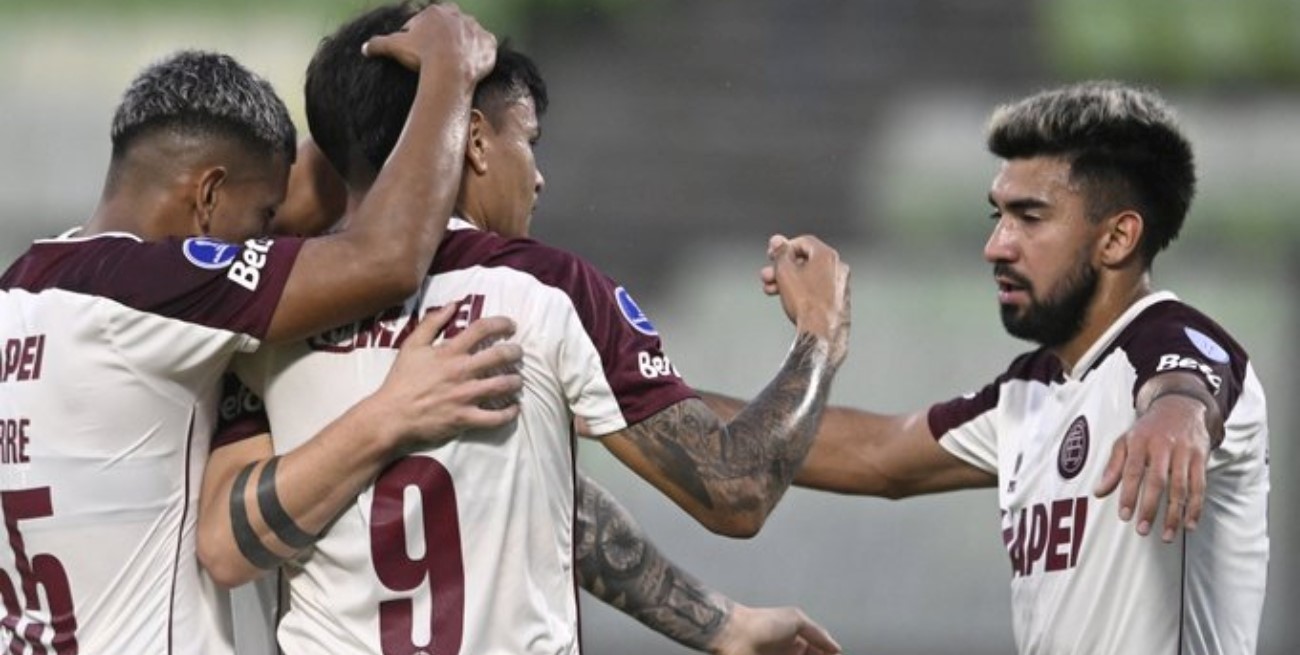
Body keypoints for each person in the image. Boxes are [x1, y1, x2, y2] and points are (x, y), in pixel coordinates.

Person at [197, 3, 850, 654]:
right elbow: (736, 487)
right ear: (475, 139)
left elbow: (228, 547)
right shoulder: (546, 290)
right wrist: (819, 330)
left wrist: (720, 623)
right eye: (528, 141)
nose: (537, 178)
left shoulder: (274, 309)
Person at [0, 6, 524, 653]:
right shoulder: (154, 288)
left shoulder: (24, 290)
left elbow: (305, 196)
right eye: (262, 217)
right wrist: (448, 68)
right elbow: (386, 258)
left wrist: (359, 100)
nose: (273, 235)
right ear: (207, 197)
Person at [712, 81, 1270, 654]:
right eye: (998, 215)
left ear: (1117, 238)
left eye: (1030, 217)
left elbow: (1194, 378)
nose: (996, 246)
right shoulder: (1031, 388)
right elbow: (876, 455)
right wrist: (659, 396)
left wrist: (1179, 416)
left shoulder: (1174, 343)